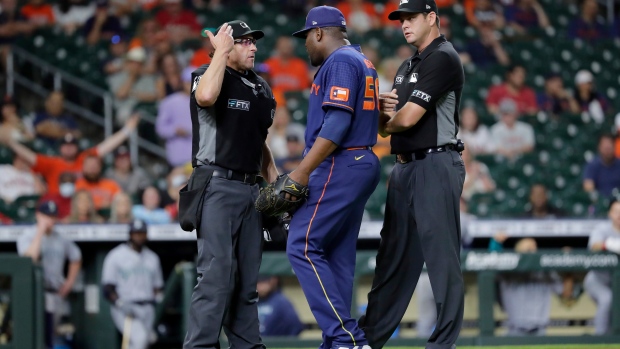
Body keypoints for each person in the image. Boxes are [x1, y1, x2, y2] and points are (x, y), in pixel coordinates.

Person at [358, 0, 465, 348]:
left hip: (436, 164)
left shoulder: (443, 57)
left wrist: (384, 113)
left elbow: (405, 119)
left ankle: (441, 344)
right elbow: (387, 130)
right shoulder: (407, 66)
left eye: (411, 17)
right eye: (401, 19)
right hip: (405, 167)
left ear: (432, 17)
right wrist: (381, 114)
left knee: (442, 263)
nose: (404, 24)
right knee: (391, 261)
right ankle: (367, 340)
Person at [286, 6, 380, 349]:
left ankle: (346, 339)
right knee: (337, 255)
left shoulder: (339, 61)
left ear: (320, 33)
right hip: (360, 161)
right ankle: (338, 343)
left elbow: (337, 124)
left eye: (307, 37)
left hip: (341, 161)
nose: (306, 44)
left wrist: (302, 170)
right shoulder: (362, 60)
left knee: (302, 245)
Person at [183, 20, 279, 349]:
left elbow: (259, 140)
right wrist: (219, 55)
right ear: (225, 46)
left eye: (254, 41)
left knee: (247, 283)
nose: (252, 47)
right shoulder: (207, 75)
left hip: (251, 190)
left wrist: (275, 181)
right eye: (243, 42)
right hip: (217, 184)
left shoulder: (261, 87)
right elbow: (206, 96)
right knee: (215, 277)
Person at [0, 113, 139, 195]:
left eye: (72, 145)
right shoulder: (52, 163)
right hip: (58, 205)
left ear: (77, 147)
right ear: (60, 148)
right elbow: (29, 156)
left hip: (82, 203)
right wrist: (10, 143)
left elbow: (106, 147)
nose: (68, 148)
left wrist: (126, 131)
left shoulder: (84, 158)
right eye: (65, 145)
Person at [17, 200, 82, 348]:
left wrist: (70, 282)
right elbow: (29, 259)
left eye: (53, 216)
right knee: (37, 337)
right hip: (33, 295)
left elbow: (76, 257)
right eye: (46, 216)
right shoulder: (28, 235)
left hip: (56, 294)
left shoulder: (61, 238)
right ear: (38, 215)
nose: (50, 220)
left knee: (54, 338)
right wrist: (40, 232)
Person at [102, 219, 164, 349]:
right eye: (135, 233)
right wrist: (120, 303)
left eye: (141, 233)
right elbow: (107, 288)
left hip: (148, 308)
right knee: (139, 339)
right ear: (130, 234)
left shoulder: (152, 257)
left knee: (145, 341)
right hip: (126, 307)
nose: (139, 236)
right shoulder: (116, 255)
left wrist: (159, 299)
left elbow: (157, 287)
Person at [497, 238, 574, 336]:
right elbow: (493, 259)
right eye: (528, 248)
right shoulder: (508, 272)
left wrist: (570, 266)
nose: (532, 251)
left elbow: (566, 293)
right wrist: (496, 242)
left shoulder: (546, 271)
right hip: (515, 330)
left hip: (540, 331)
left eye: (534, 248)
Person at [584, 198, 620, 335]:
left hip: (617, 282)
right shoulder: (602, 228)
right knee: (607, 299)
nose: (619, 215)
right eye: (616, 211)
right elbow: (594, 246)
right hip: (598, 279)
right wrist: (609, 244)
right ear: (610, 214)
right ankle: (600, 337)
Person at [155, 66, 193, 167]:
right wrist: (175, 130)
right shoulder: (169, 102)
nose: (193, 85)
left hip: (202, 158)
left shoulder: (208, 103)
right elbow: (160, 128)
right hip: (179, 157)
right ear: (183, 82)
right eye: (189, 82)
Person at [583, 134, 620, 199]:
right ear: (599, 147)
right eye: (605, 147)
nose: (608, 150)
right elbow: (588, 187)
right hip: (599, 202)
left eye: (610, 147)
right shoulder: (593, 165)